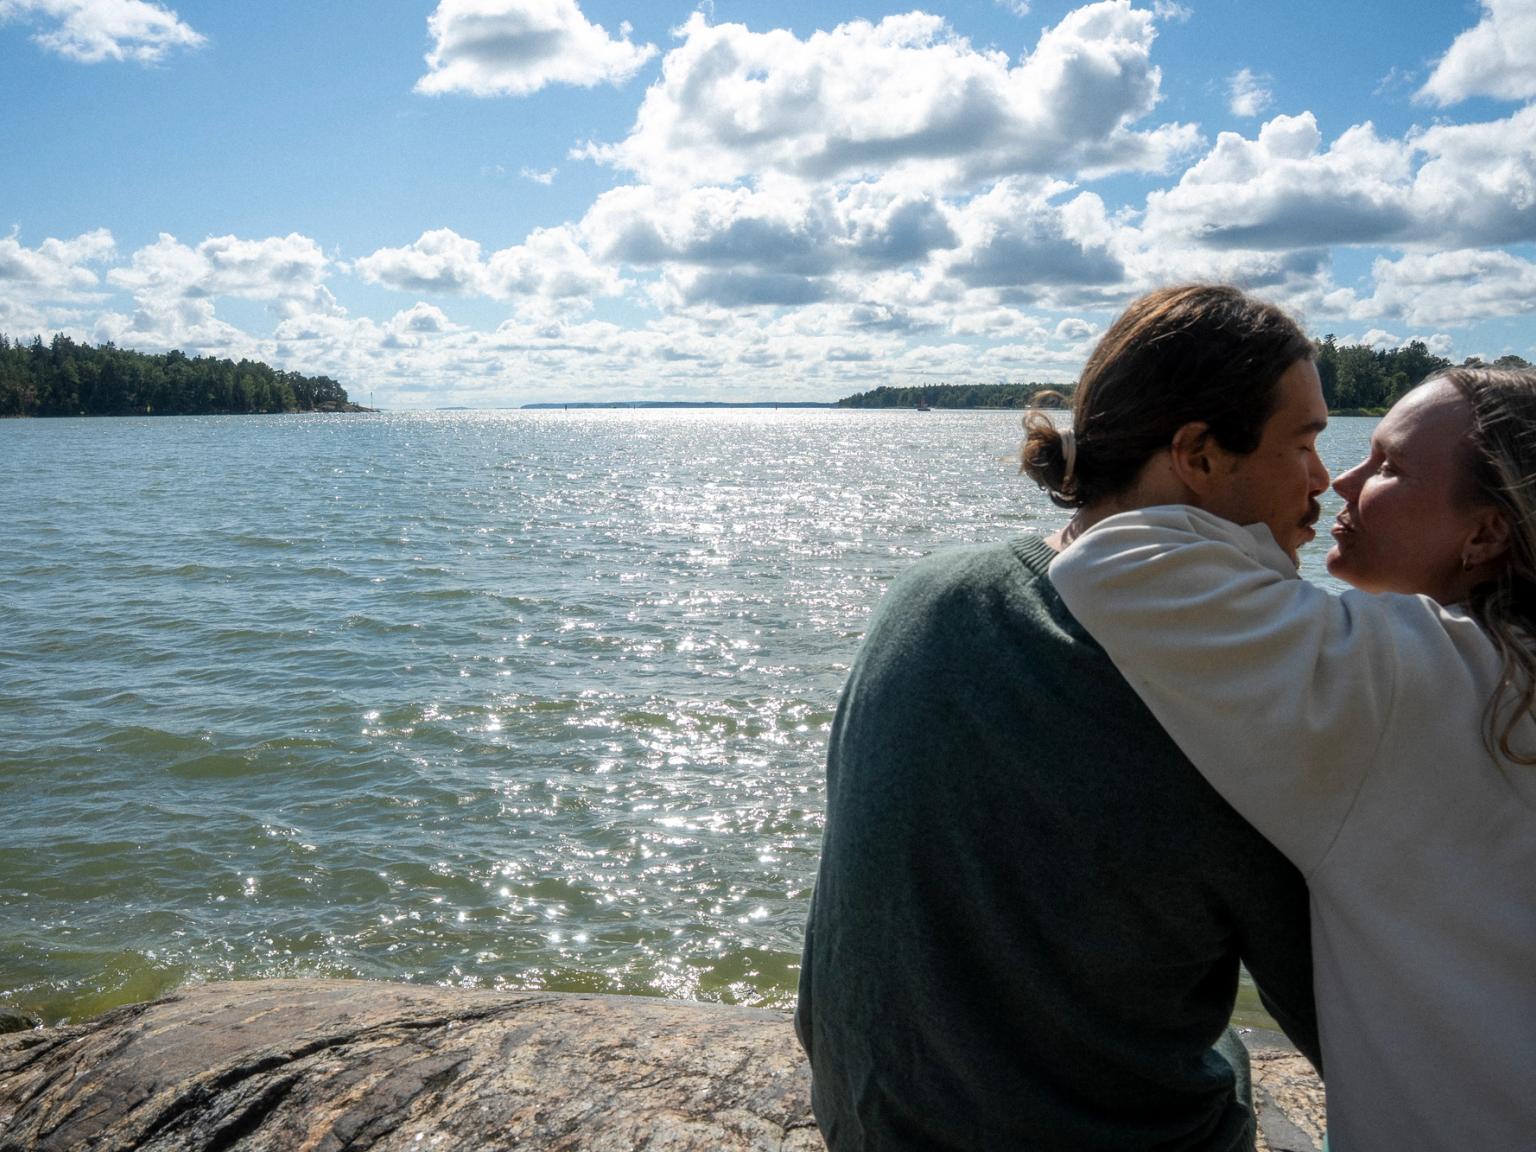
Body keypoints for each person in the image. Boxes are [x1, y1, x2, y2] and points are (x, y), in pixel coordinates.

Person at [796, 284, 1326, 1151]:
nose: (1325, 478)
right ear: (1196, 453)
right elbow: (1352, 1022)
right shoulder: (1228, 681)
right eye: (1303, 443)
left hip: (866, 1120)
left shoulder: (928, 587)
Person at [1050, 368, 1536, 1152]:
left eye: (1388, 466)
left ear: (1484, 534)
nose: (1340, 478)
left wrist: (1251, 530)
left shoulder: (1403, 686)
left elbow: (1110, 564)